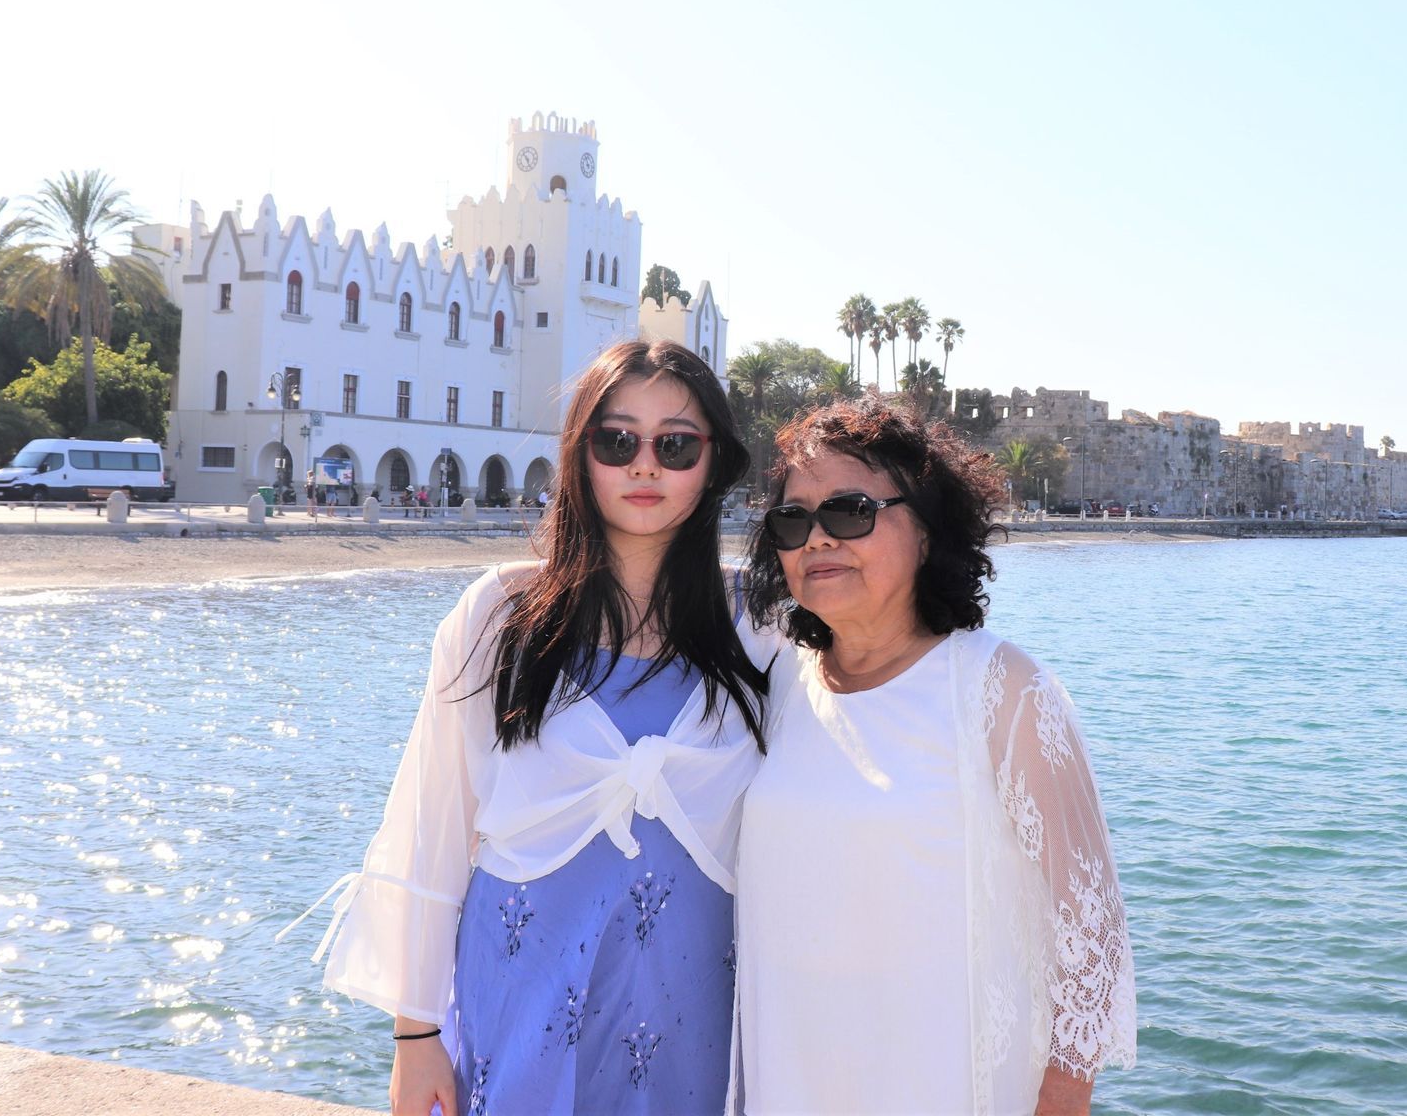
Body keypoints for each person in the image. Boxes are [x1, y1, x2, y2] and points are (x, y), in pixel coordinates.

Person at [284, 340, 770, 1116]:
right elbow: (434, 827)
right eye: (618, 441)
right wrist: (416, 1034)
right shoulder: (501, 615)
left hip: (695, 1005)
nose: (645, 466)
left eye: (676, 445)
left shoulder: (762, 630)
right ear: (581, 454)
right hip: (522, 991)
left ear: (712, 462)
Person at [736, 398, 1136, 1115]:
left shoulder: (1000, 689)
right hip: (791, 1080)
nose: (817, 538)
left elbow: (1090, 927)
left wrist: (1063, 1097)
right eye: (792, 521)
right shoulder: (779, 680)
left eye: (850, 511)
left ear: (925, 531)